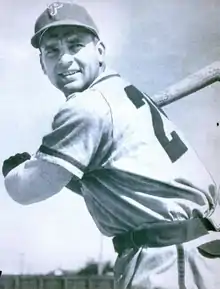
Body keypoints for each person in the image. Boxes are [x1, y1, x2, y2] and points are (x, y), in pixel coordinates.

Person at [2, 2, 220, 288]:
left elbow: (28, 190)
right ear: (42, 64)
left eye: (75, 45)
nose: (64, 59)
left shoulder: (86, 106)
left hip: (167, 259)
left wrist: (14, 171)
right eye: (52, 51)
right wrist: (57, 166)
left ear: (100, 51)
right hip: (195, 252)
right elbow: (119, 188)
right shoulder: (123, 93)